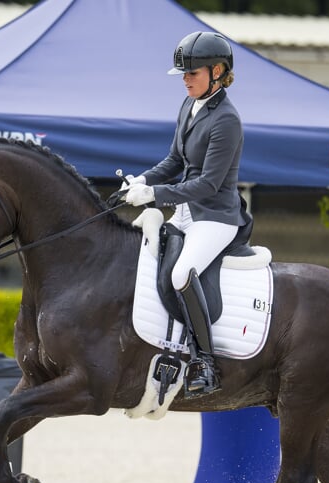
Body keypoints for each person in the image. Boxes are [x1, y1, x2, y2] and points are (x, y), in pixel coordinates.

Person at [121, 31, 252, 398]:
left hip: (215, 216)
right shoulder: (189, 104)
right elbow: (175, 161)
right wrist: (142, 180)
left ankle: (206, 363)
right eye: (184, 73)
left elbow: (208, 184)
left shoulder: (227, 120)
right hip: (184, 210)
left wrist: (155, 194)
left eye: (192, 72)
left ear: (218, 71)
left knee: (181, 274)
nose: (185, 78)